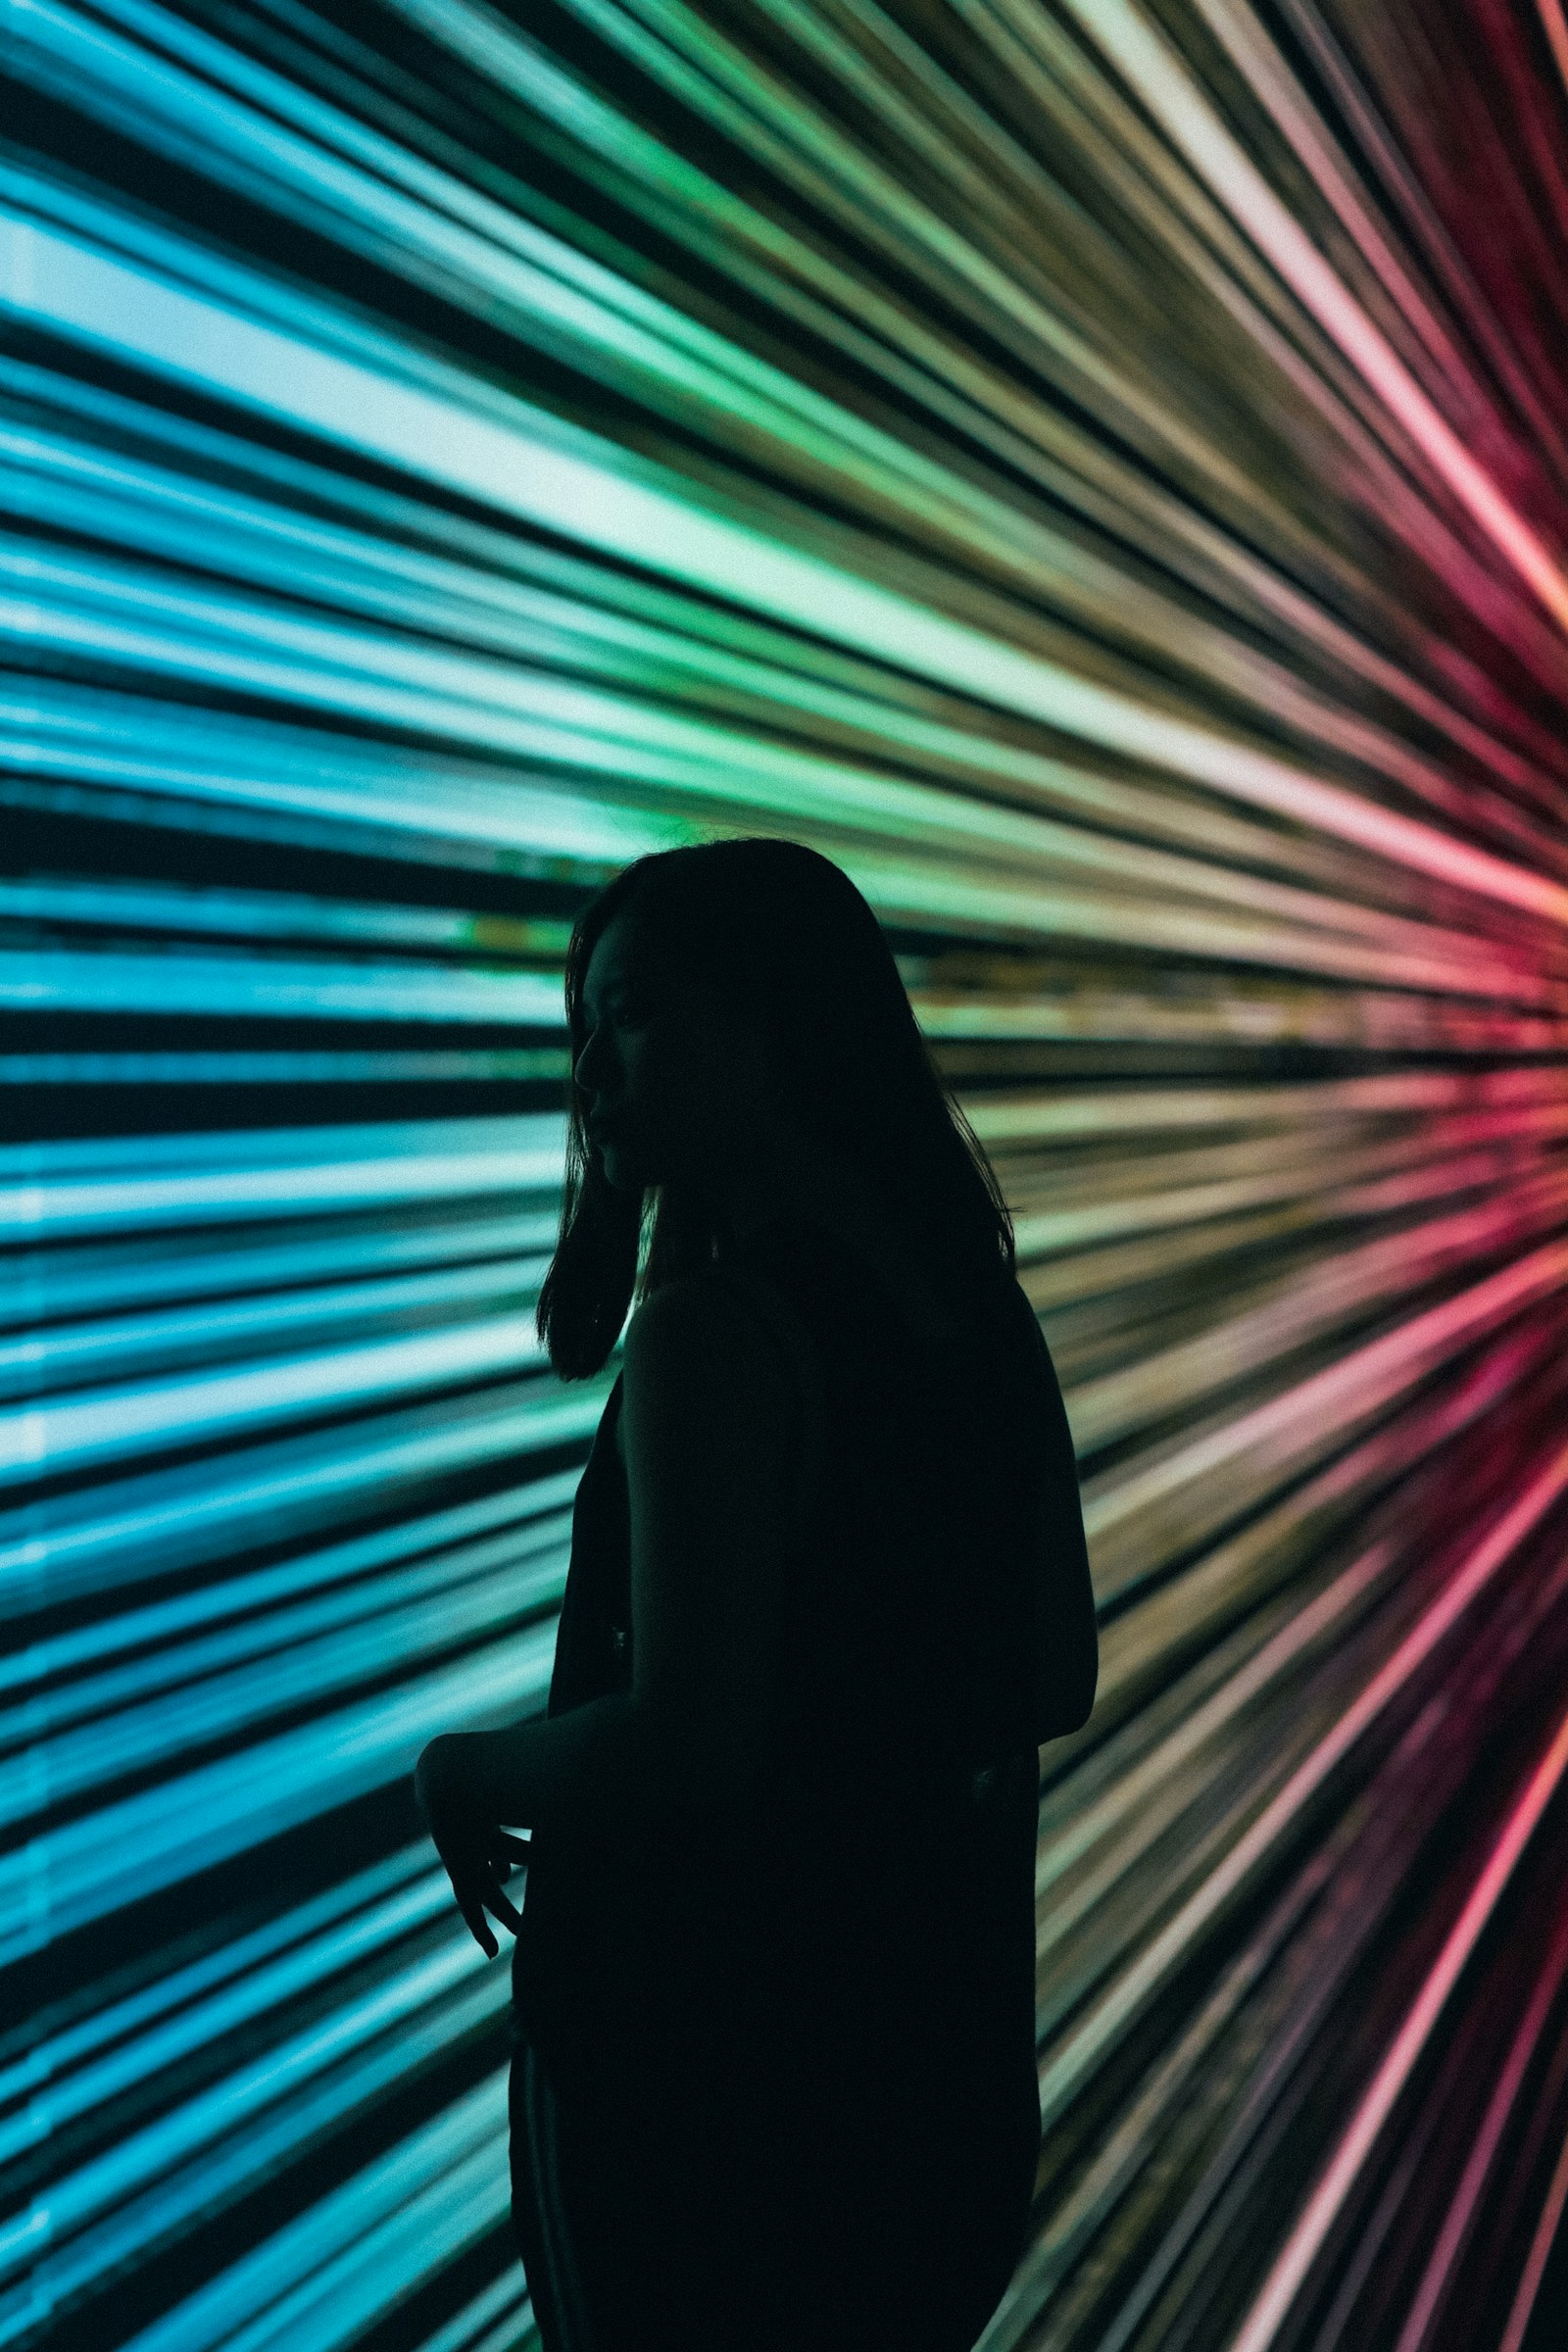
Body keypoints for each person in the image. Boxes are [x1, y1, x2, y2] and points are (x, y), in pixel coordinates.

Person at [415, 837, 1098, 2351]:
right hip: (934, 2085)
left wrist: (463, 1772)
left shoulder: (715, 1339)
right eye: (584, 1026)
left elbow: (689, 1737)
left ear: (777, 1019)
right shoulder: (978, 1316)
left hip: (696, 2096)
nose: (596, 1066)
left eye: (640, 1012)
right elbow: (1054, 1674)